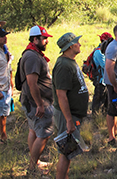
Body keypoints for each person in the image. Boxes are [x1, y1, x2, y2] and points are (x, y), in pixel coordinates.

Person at [52, 32, 89, 179]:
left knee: (69, 151)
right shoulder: (63, 65)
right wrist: (68, 120)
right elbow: (61, 95)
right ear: (71, 45)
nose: (79, 44)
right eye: (77, 42)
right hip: (66, 115)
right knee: (66, 151)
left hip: (74, 114)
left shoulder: (70, 62)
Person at [19, 25, 53, 175]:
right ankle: (32, 167)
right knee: (44, 133)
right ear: (35, 39)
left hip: (32, 101)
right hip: (36, 102)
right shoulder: (32, 56)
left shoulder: (33, 53)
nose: (46, 41)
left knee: (33, 129)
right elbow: (32, 82)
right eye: (44, 38)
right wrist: (40, 104)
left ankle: (36, 162)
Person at [92, 32, 113, 115]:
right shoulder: (99, 52)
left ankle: (104, 114)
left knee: (106, 99)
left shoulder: (105, 51)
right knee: (98, 98)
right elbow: (106, 65)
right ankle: (95, 116)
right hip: (100, 80)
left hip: (106, 79)